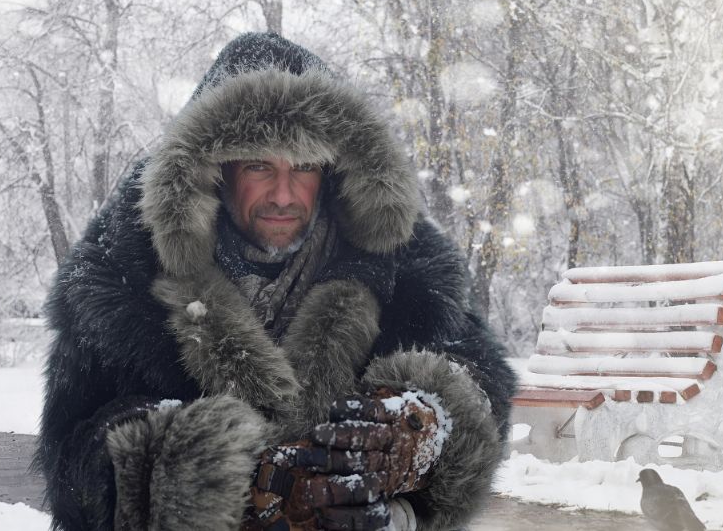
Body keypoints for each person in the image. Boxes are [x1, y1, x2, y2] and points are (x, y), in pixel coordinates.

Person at [35, 32, 516, 531]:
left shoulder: (405, 270)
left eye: (304, 167)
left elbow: (480, 385)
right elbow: (69, 465)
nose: (284, 194)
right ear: (217, 171)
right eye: (260, 166)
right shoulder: (124, 275)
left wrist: (426, 425)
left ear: (329, 172)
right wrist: (171, 464)